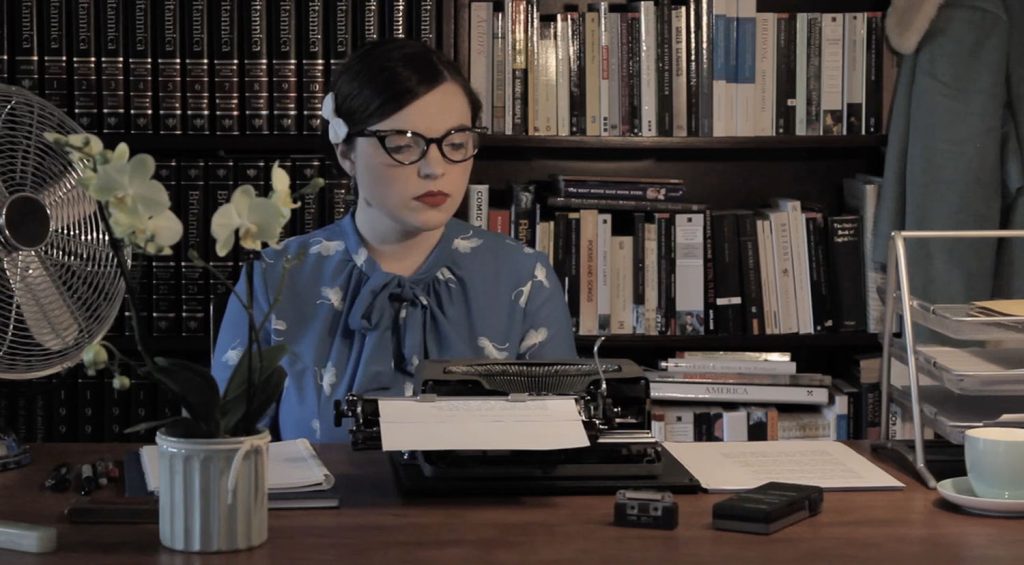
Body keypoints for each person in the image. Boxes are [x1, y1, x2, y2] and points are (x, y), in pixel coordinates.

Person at [211, 39, 576, 442]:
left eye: (455, 144)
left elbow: (556, 452)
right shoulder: (275, 278)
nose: (434, 168)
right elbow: (227, 455)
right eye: (403, 146)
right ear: (345, 152)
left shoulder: (524, 276)